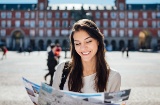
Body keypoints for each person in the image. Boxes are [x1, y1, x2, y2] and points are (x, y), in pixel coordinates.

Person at [52, 19, 121, 93]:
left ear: (98, 41)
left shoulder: (113, 77)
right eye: (78, 43)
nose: (83, 48)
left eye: (88, 41)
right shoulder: (62, 70)